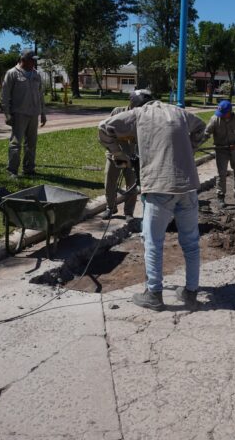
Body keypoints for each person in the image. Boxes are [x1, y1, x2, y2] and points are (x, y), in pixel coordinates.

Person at [98, 96, 206, 311]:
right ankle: (191, 293)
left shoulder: (139, 113)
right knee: (191, 243)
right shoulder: (179, 112)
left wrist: (118, 153)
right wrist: (188, 150)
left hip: (159, 187)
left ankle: (154, 294)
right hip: (188, 186)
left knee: (153, 242)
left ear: (137, 105)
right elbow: (201, 127)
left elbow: (104, 127)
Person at [101, 90, 146, 220]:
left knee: (132, 184)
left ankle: (128, 212)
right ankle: (110, 207)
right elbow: (106, 131)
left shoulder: (143, 117)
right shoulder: (117, 112)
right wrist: (115, 151)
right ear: (131, 102)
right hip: (116, 155)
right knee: (110, 182)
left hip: (133, 157)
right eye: (138, 104)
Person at [1, 49, 46, 178]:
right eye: (32, 60)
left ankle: (29, 169)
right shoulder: (12, 73)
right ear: (24, 60)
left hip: (34, 113)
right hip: (19, 113)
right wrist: (7, 114)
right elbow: (4, 95)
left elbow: (40, 95)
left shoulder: (36, 74)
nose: (34, 63)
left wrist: (43, 113)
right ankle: (12, 170)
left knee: (31, 143)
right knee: (16, 143)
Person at [204, 100, 235, 207]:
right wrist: (195, 143)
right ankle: (220, 197)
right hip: (221, 150)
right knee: (221, 174)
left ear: (230, 111)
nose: (221, 116)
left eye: (223, 113)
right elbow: (206, 133)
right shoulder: (215, 119)